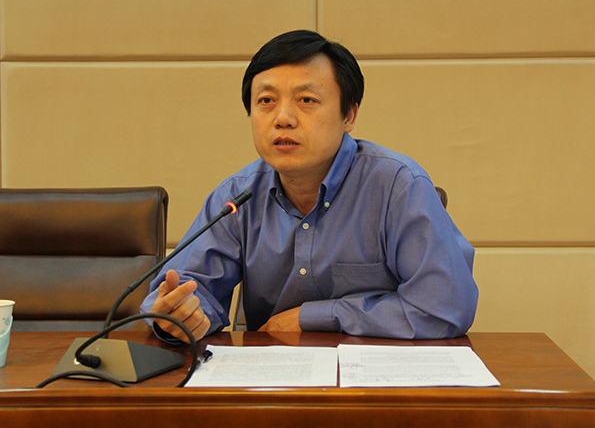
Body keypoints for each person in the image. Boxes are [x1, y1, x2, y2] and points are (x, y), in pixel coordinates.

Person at [141, 30, 478, 343]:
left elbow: (445, 307)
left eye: (306, 100)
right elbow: (182, 291)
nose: (283, 118)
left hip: (377, 376)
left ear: (349, 116)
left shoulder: (397, 186)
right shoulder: (237, 197)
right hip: (275, 376)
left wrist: (315, 316)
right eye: (266, 101)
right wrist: (182, 316)